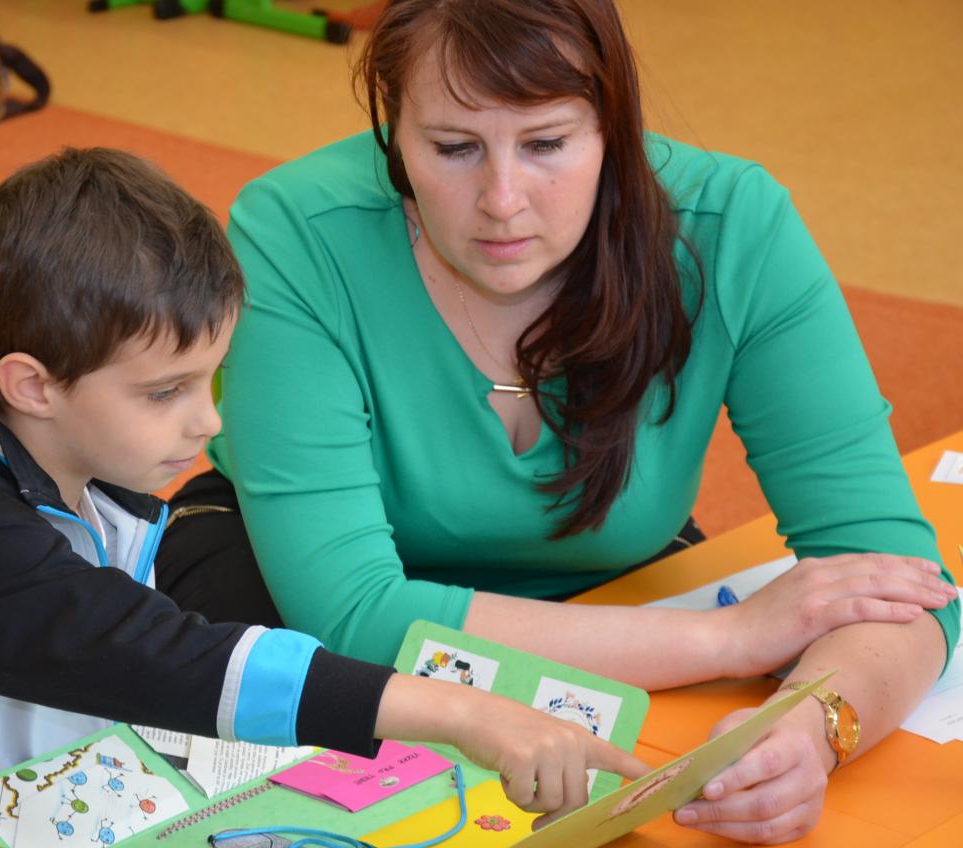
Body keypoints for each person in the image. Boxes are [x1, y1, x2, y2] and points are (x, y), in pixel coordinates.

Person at [155, 1, 961, 843]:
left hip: (613, 603)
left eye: (546, 143)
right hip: (290, 591)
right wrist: (730, 640)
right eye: (454, 147)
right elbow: (356, 616)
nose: (502, 200)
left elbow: (902, 580)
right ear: (391, 128)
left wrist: (813, 727)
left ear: (613, 122)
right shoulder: (294, 232)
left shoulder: (733, 227)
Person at [0, 147, 649, 848]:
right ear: (35, 386)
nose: (208, 421)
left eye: (212, 379)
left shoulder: (103, 490)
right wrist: (459, 713)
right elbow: (167, 658)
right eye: (165, 392)